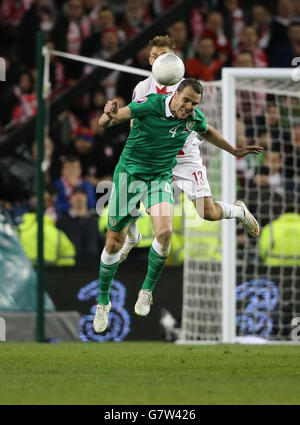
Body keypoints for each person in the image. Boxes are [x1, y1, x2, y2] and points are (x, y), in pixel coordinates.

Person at [93, 77, 263, 333]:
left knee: (164, 232)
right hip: (129, 177)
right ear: (175, 95)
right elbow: (108, 122)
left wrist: (234, 151)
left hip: (159, 179)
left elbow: (207, 131)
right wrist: (108, 115)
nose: (189, 107)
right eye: (186, 100)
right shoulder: (149, 104)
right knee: (113, 242)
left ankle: (147, 290)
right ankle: (102, 302)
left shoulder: (193, 118)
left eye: (194, 103)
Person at [120, 35, 262, 265]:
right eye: (155, 57)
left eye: (164, 57)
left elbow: (203, 127)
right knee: (128, 189)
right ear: (149, 60)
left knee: (208, 213)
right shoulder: (142, 87)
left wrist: (233, 151)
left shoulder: (185, 88)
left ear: (174, 60)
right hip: (155, 156)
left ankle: (238, 212)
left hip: (184, 156)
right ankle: (133, 235)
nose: (159, 61)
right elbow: (134, 121)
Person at [57, 187, 102, 265]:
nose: (79, 196)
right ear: (70, 199)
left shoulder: (95, 220)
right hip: (70, 266)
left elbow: (101, 242)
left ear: (87, 198)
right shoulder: (63, 221)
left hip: (93, 265)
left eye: (82, 193)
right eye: (75, 194)